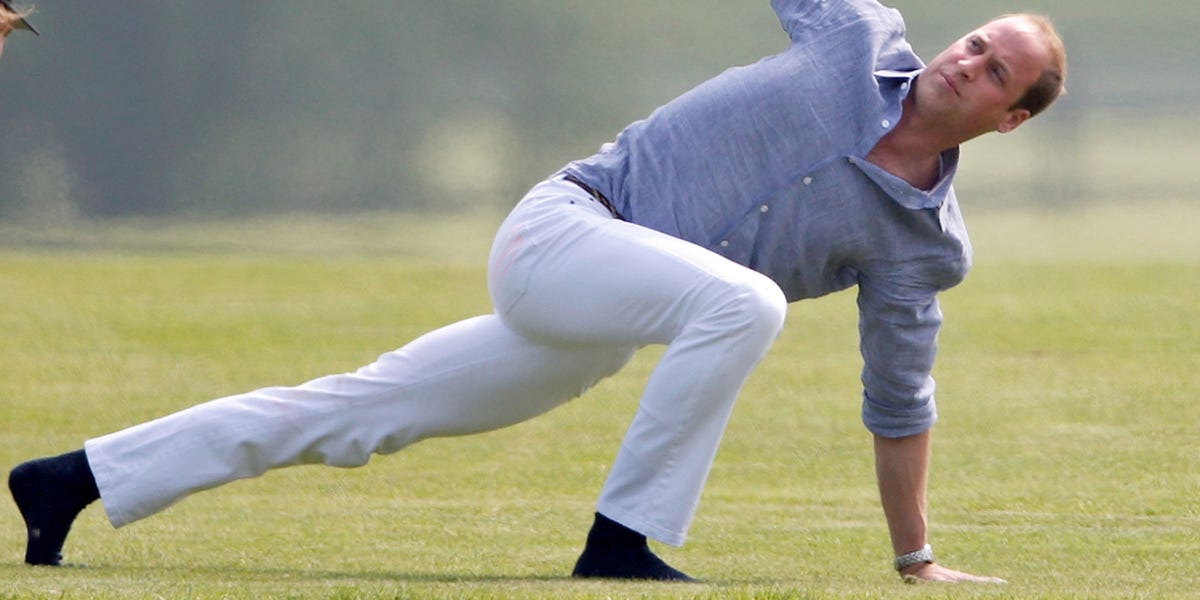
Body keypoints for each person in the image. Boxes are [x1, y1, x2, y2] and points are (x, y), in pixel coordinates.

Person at [8, 0, 1066, 583]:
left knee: (358, 414)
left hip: (602, 318)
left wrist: (915, 558)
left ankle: (69, 479)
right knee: (747, 303)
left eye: (995, 73)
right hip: (564, 230)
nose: (967, 63)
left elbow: (900, 399)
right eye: (975, 41)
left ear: (1012, 118)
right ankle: (621, 547)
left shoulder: (922, 245)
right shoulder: (855, 34)